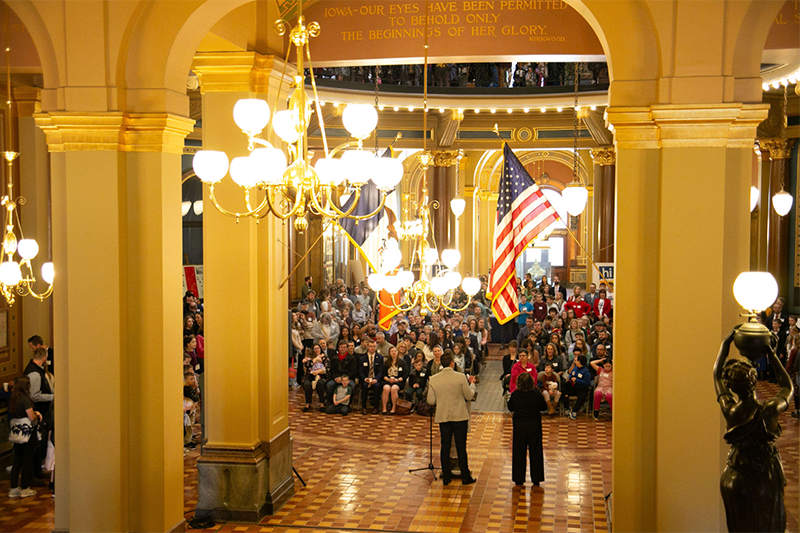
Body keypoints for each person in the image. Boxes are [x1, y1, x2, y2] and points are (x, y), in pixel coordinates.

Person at [714, 325, 792, 533]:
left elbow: (716, 376)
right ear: (754, 381)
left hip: (735, 476)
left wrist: (726, 343)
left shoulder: (730, 410)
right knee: (767, 522)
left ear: (732, 386)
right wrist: (771, 354)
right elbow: (787, 387)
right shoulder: (769, 410)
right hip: (764, 474)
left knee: (739, 526)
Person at [426, 351, 477, 486]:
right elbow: (468, 396)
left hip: (443, 416)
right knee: (461, 447)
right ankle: (465, 476)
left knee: (445, 446)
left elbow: (430, 401)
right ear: (452, 363)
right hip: (459, 416)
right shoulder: (460, 377)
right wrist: (472, 384)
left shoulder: (434, 379)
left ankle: (446, 476)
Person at [507, 372, 548, 486]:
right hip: (534, 425)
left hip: (519, 426)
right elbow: (543, 407)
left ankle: (518, 478)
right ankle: (537, 478)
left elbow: (510, 407)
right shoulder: (536, 394)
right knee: (536, 451)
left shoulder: (516, 394)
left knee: (519, 452)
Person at [8, 375, 42, 499]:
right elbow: (31, 417)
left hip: (17, 432)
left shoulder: (13, 398)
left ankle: (13, 488)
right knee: (27, 460)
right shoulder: (25, 399)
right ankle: (25, 488)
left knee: (17, 460)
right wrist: (37, 414)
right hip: (27, 432)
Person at [561, 354, 592, 419]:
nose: (575, 361)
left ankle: (574, 410)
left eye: (576, 360)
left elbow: (587, 383)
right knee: (564, 389)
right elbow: (570, 375)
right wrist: (572, 379)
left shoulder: (586, 372)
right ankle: (567, 408)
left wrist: (577, 380)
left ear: (579, 362)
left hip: (582, 388)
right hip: (573, 387)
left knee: (582, 396)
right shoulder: (575, 368)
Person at [302, 345, 329, 412]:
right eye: (315, 349)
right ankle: (308, 403)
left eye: (318, 348)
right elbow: (308, 365)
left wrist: (318, 371)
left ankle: (322, 404)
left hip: (321, 376)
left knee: (320, 383)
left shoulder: (324, 358)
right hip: (310, 376)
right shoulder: (308, 358)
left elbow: (327, 369)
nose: (316, 350)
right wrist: (316, 359)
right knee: (307, 384)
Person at [382, 346, 409, 414]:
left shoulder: (402, 362)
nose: (394, 353)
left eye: (395, 351)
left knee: (394, 389)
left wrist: (397, 380)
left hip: (398, 381)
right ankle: (384, 408)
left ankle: (394, 408)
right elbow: (383, 374)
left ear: (397, 352)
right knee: (386, 388)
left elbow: (406, 374)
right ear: (389, 353)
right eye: (392, 351)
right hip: (388, 380)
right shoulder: (386, 362)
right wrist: (388, 379)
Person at [359, 339, 384, 414]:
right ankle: (364, 407)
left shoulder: (379, 358)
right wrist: (365, 378)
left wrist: (376, 379)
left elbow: (381, 371)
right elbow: (360, 371)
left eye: (374, 346)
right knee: (364, 386)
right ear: (367, 347)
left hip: (375, 379)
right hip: (366, 379)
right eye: (371, 346)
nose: (373, 348)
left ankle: (376, 407)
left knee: (377, 386)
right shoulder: (362, 358)